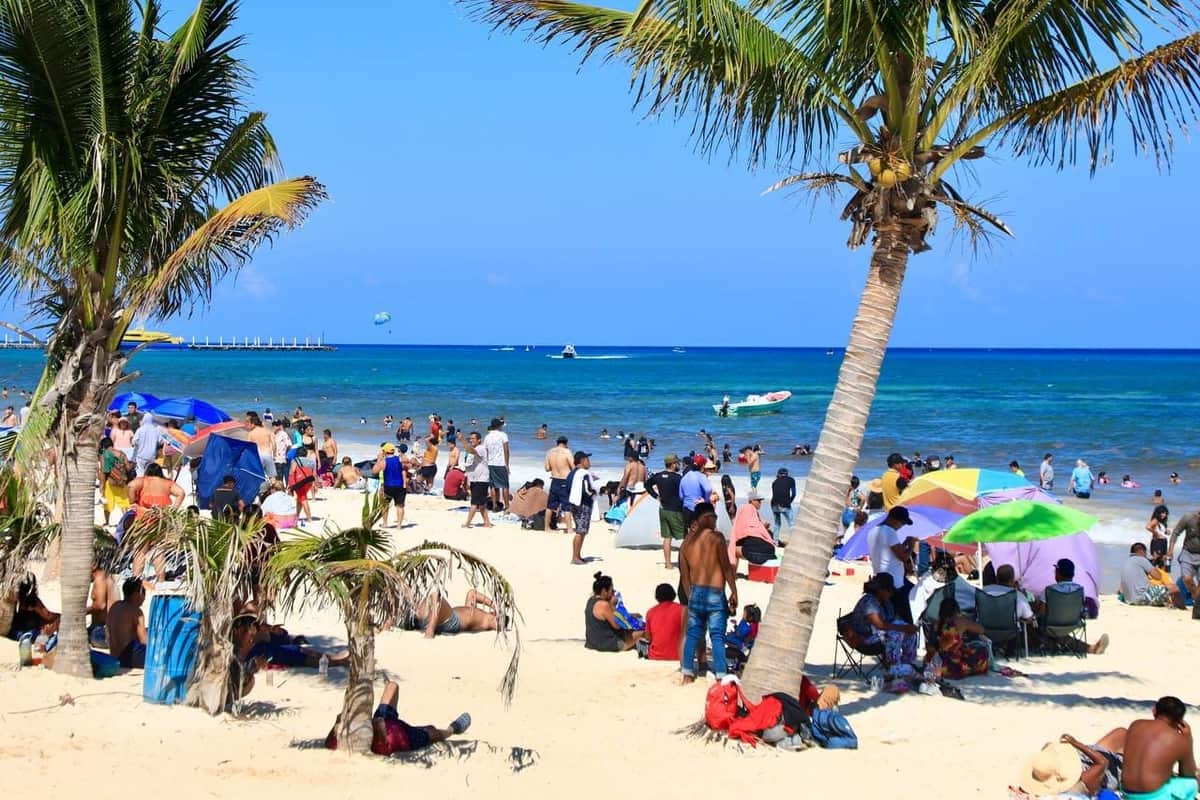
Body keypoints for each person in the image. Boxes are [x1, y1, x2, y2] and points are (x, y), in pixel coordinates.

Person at [324, 680, 471, 755]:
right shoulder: (358, 741)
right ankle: (452, 729)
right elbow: (384, 744)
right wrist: (374, 724)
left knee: (392, 686)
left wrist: (338, 722)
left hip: (387, 720)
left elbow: (328, 742)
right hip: (404, 737)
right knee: (433, 732)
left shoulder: (347, 727)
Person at [678, 502, 737, 682]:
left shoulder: (686, 544)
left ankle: (687, 673)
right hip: (715, 592)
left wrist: (690, 596)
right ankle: (720, 675)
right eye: (714, 517)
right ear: (706, 517)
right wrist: (734, 591)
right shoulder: (717, 538)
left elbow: (685, 576)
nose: (716, 521)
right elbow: (726, 568)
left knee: (694, 633)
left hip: (696, 592)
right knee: (717, 635)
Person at [838, 573, 918, 678]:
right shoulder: (869, 601)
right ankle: (892, 668)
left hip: (880, 636)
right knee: (896, 633)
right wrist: (903, 628)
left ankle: (907, 663)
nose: (890, 594)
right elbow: (879, 624)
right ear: (880, 590)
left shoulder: (887, 603)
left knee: (909, 632)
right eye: (888, 591)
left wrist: (907, 628)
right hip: (865, 639)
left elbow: (892, 621)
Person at [1121, 696, 1197, 800]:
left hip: (1127, 793)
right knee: (1191, 784)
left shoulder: (1135, 725)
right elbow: (1188, 774)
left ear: (1154, 711)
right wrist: (1188, 739)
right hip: (1154, 796)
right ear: (1180, 721)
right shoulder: (1180, 740)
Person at [1020, 729, 1129, 798]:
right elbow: (1102, 762)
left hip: (1089, 757)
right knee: (1134, 738)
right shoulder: (1082, 782)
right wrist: (1076, 743)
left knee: (1122, 732)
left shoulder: (1056, 770)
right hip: (1112, 768)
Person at [1037, 558, 1110, 652]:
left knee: (1034, 624)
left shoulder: (1049, 591)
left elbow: (1041, 613)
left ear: (1058, 573)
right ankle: (1090, 648)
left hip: (1050, 627)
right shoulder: (1080, 590)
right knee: (1059, 633)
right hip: (1073, 624)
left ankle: (1051, 645)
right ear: (1073, 574)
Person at [867, 506, 915, 623]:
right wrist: (912, 545)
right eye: (902, 524)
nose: (900, 527)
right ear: (895, 520)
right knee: (905, 620)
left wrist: (904, 544)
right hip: (894, 584)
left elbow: (891, 552)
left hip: (880, 579)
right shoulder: (889, 532)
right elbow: (903, 557)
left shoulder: (873, 531)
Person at [932, 596, 990, 679]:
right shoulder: (961, 621)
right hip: (953, 667)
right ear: (956, 610)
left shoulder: (936, 623)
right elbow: (981, 630)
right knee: (982, 650)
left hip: (938, 666)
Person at [585, 572, 644, 652]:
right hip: (610, 644)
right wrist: (613, 605)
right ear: (604, 591)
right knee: (644, 632)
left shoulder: (591, 600)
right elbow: (617, 625)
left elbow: (605, 617)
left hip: (592, 642)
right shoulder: (604, 605)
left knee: (634, 623)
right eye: (611, 589)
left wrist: (630, 615)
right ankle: (644, 652)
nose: (613, 592)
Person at [408, 590, 504, 637]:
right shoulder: (474, 610)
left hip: (453, 622)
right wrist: (494, 605)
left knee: (436, 596)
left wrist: (498, 616)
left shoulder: (488, 621)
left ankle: (430, 631)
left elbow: (498, 624)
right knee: (417, 602)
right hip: (443, 618)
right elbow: (472, 593)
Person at [647, 453, 685, 569]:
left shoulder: (658, 476)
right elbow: (683, 494)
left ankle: (668, 564)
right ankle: (685, 562)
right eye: (677, 463)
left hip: (663, 509)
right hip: (675, 510)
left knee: (667, 538)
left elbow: (647, 485)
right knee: (685, 537)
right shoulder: (677, 478)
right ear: (673, 464)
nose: (678, 465)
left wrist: (656, 496)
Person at [1121, 543, 1183, 608]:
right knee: (1174, 588)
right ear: (1142, 551)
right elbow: (1158, 576)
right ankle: (1182, 608)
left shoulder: (1126, 562)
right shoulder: (1141, 559)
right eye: (1145, 553)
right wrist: (1155, 568)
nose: (1146, 555)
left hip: (1129, 600)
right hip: (1141, 598)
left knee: (1157, 589)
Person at [106, 578, 148, 668]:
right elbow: (144, 640)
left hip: (115, 655)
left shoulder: (115, 606)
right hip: (128, 656)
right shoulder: (136, 611)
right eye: (144, 592)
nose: (145, 597)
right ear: (137, 594)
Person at [728, 489, 776, 567]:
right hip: (770, 552)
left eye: (760, 501)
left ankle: (733, 575)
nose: (760, 503)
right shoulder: (751, 511)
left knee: (733, 550)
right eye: (758, 500)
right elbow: (752, 527)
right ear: (751, 501)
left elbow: (740, 529)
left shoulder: (745, 509)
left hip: (756, 553)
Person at [1166, 508, 1200, 611]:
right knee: (1186, 579)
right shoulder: (1188, 518)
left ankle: (1197, 606)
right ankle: (1196, 600)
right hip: (1187, 553)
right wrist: (1170, 550)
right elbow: (1176, 532)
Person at [6, 574, 59, 640]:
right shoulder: (29, 626)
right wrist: (45, 635)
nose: (44, 607)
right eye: (40, 606)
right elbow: (21, 638)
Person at [568, 451, 597, 564]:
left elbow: (569, 488)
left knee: (581, 530)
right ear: (582, 461)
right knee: (581, 531)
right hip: (583, 504)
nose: (589, 462)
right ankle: (575, 557)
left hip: (574, 503)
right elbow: (586, 490)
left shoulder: (572, 473)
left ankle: (578, 555)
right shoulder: (584, 473)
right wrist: (594, 492)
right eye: (587, 459)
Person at [459, 431, 492, 529]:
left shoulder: (481, 448)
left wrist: (462, 440)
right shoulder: (475, 449)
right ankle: (487, 523)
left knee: (474, 503)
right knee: (481, 504)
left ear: (479, 440)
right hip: (475, 479)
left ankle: (467, 523)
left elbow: (471, 450)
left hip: (481, 480)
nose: (471, 440)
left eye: (473, 438)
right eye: (470, 438)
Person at [641, 583, 682, 661]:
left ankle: (642, 658)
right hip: (678, 655)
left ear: (657, 597)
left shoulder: (651, 612)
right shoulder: (681, 609)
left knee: (640, 640)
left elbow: (648, 637)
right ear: (673, 595)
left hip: (655, 656)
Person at [98, 436, 132, 524]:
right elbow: (128, 468)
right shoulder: (121, 453)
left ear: (103, 446)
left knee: (108, 503)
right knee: (124, 503)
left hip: (111, 483)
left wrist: (102, 487)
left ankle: (107, 522)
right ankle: (127, 521)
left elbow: (103, 472)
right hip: (121, 482)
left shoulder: (104, 455)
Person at [544, 435, 575, 533]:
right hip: (564, 481)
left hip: (554, 480)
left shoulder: (550, 452)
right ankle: (569, 528)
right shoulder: (567, 452)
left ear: (557, 443)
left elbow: (547, 468)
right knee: (566, 506)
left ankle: (546, 528)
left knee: (550, 506)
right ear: (566, 443)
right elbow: (573, 467)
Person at [373, 443, 407, 529]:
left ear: (384, 451)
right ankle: (399, 525)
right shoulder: (400, 459)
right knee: (400, 505)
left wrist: (379, 459)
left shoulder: (383, 462)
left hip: (388, 486)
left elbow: (374, 471)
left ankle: (385, 523)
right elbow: (406, 467)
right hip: (399, 485)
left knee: (385, 505)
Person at [679, 458, 719, 530]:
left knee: (690, 534)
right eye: (710, 469)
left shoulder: (685, 476)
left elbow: (681, 496)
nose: (711, 471)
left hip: (686, 509)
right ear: (703, 467)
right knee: (702, 532)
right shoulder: (701, 477)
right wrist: (706, 500)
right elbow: (708, 490)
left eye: (712, 469)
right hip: (699, 509)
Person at [483, 418, 511, 512]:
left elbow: (485, 451)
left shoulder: (487, 436)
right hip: (501, 463)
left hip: (491, 463)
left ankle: (495, 505)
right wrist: (507, 464)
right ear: (499, 426)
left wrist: (486, 463)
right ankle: (507, 506)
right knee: (505, 486)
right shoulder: (503, 435)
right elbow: (506, 450)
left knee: (493, 486)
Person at [288, 446, 318, 523]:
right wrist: (315, 485)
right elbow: (314, 474)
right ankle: (297, 516)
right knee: (300, 498)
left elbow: (292, 473)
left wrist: (290, 486)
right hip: (309, 482)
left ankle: (309, 518)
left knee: (303, 498)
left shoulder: (295, 460)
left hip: (299, 482)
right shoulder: (312, 461)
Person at [246, 413, 275, 480]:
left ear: (253, 424)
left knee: (257, 476)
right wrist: (274, 454)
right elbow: (273, 443)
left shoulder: (251, 433)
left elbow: (248, 447)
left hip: (258, 456)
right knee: (272, 477)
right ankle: (274, 489)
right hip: (268, 454)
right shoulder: (267, 431)